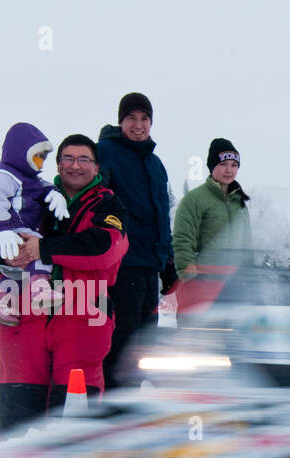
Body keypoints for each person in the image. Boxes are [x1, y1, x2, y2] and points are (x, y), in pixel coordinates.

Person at [0, 134, 129, 438]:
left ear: (97, 166)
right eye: (67, 159)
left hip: (82, 317)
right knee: (18, 422)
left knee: (73, 424)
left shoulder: (109, 204)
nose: (75, 165)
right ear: (58, 165)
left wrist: (43, 249)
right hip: (24, 319)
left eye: (84, 159)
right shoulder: (34, 197)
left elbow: (104, 248)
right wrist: (0, 255)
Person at [97, 92, 175, 387]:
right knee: (121, 342)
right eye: (131, 118)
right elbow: (96, 200)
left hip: (149, 267)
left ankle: (130, 404)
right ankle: (111, 408)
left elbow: (161, 215)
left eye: (144, 119)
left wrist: (167, 261)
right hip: (121, 266)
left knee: (144, 344)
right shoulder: (105, 152)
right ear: (121, 121)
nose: (138, 125)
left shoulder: (155, 163)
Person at [0, 122, 69, 323]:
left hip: (15, 227)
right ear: (22, 153)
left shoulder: (29, 178)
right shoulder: (3, 176)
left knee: (17, 266)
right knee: (36, 247)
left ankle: (2, 302)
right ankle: (39, 289)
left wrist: (54, 193)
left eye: (44, 158)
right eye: (37, 157)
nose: (41, 163)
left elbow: (42, 186)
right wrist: (2, 229)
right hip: (4, 226)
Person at [171, 138, 254, 315]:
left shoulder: (240, 203)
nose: (229, 170)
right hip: (201, 288)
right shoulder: (195, 200)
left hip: (232, 290)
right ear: (211, 166)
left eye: (234, 165)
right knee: (196, 341)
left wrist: (250, 280)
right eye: (224, 164)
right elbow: (182, 241)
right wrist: (191, 279)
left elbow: (247, 247)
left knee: (231, 341)